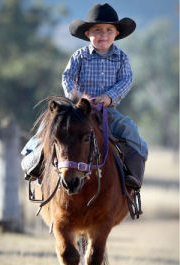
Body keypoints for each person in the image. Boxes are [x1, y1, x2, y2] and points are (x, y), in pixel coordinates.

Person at [21, 3, 148, 190]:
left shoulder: (121, 58)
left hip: (107, 111)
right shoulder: (79, 56)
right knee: (48, 128)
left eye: (108, 30)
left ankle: (132, 175)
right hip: (79, 111)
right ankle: (34, 162)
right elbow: (68, 77)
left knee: (130, 132)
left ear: (116, 34)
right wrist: (77, 95)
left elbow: (126, 80)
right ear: (88, 34)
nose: (103, 34)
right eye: (97, 30)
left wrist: (109, 96)